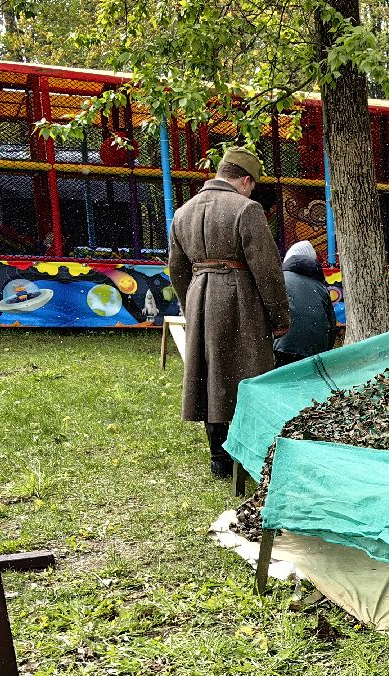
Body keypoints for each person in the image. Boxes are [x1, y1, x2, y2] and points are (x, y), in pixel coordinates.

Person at [167, 146, 288, 479]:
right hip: (239, 301)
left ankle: (219, 459)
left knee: (209, 376)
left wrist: (189, 303)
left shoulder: (183, 212)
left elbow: (176, 269)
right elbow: (267, 270)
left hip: (199, 297)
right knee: (248, 374)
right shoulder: (247, 209)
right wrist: (279, 318)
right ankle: (249, 456)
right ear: (246, 181)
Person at [273, 241, 336, 368]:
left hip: (283, 347)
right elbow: (331, 325)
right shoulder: (320, 286)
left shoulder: (279, 279)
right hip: (315, 349)